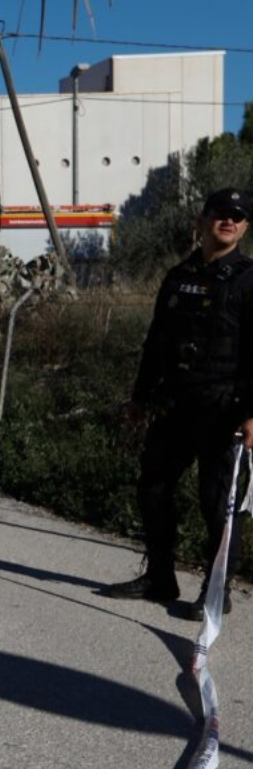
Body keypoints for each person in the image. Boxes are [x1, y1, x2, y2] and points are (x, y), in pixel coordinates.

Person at [105, 188, 253, 619]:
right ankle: (160, 577)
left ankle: (215, 589)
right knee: (153, 488)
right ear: (203, 220)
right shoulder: (178, 275)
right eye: (220, 213)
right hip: (176, 403)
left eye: (238, 216)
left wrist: (251, 414)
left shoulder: (248, 279)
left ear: (244, 227)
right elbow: (156, 343)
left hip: (225, 407)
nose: (228, 221)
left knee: (218, 502)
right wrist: (140, 397)